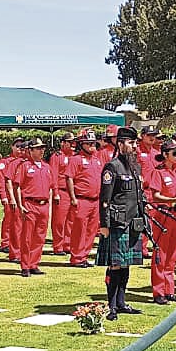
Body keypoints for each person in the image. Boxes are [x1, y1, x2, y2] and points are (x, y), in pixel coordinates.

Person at [97, 127, 146, 320]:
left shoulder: (135, 167)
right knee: (115, 265)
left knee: (126, 265)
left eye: (135, 143)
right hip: (117, 223)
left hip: (133, 222)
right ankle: (111, 307)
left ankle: (121, 302)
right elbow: (105, 199)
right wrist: (104, 225)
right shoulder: (112, 167)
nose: (134, 147)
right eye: (131, 143)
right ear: (120, 144)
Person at [147, 140, 176, 305]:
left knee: (172, 254)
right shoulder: (159, 173)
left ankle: (169, 290)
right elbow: (155, 196)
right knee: (161, 254)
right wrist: (173, 199)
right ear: (165, 155)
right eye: (174, 153)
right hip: (163, 215)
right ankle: (158, 291)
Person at [16, 138, 53, 276]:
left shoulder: (46, 167)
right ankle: (25, 265)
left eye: (42, 148)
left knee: (40, 236)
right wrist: (20, 205)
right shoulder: (24, 166)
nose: (42, 150)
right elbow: (18, 187)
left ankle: (34, 263)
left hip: (43, 204)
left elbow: (50, 187)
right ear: (30, 151)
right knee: (27, 237)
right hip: (30, 204)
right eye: (38, 148)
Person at [66, 132, 102, 268]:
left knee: (91, 230)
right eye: (89, 143)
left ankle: (84, 256)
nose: (92, 146)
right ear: (82, 144)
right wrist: (73, 197)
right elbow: (69, 178)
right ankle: (76, 257)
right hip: (82, 199)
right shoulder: (76, 160)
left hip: (95, 200)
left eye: (93, 143)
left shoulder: (96, 159)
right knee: (79, 230)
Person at [50, 132, 76, 256]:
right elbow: (54, 175)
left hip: (72, 191)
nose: (72, 144)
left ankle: (68, 243)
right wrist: (55, 192)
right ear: (63, 143)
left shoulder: (74, 156)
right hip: (61, 191)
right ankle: (58, 246)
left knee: (71, 220)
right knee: (59, 221)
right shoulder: (57, 156)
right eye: (70, 142)